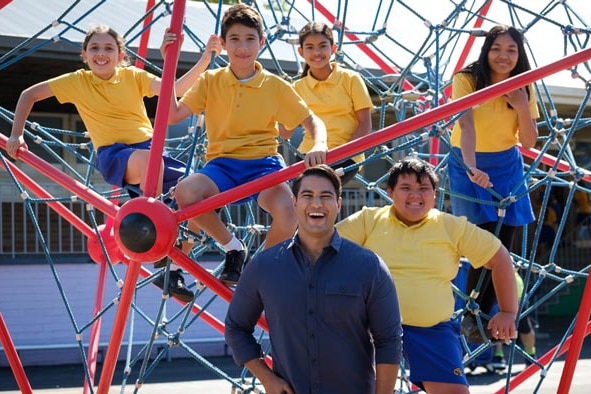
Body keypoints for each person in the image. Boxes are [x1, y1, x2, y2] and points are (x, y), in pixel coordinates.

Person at [6, 25, 221, 302]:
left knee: (197, 192)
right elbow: (28, 95)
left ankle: (174, 269)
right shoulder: (77, 81)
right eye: (94, 48)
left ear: (121, 55)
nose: (101, 54)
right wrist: (16, 133)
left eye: (109, 48)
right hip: (115, 155)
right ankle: (153, 217)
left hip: (150, 151)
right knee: (148, 163)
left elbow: (175, 89)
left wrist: (203, 57)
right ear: (84, 55)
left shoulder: (132, 76)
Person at [167, 4, 328, 286]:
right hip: (222, 165)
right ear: (224, 43)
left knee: (289, 211)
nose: (242, 47)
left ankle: (260, 269)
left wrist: (320, 143)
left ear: (261, 42)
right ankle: (233, 248)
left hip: (263, 164)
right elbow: (172, 115)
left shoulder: (274, 86)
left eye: (250, 39)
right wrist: (170, 62)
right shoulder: (211, 80)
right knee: (186, 191)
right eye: (235, 39)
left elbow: (312, 121)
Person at [336, 157, 518, 393]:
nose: (415, 195)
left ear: (434, 194)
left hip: (431, 328)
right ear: (390, 191)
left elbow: (499, 257)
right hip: (372, 327)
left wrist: (508, 311)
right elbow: (323, 247)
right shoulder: (369, 220)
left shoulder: (450, 226)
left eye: (423, 188)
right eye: (405, 188)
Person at [224, 165, 402, 394]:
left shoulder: (369, 266)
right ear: (294, 203)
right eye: (307, 195)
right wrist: (267, 378)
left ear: (338, 205)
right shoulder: (264, 266)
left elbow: (388, 340)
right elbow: (236, 327)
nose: (316, 204)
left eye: (325, 196)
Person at [447, 25, 539, 343]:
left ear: (519, 54)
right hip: (467, 161)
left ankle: (483, 316)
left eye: (511, 50)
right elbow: (465, 122)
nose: (503, 56)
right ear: (486, 51)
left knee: (504, 242)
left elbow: (528, 141)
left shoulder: (524, 85)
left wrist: (522, 107)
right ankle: (473, 315)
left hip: (506, 165)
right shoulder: (467, 79)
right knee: (482, 241)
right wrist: (472, 167)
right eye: (497, 48)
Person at [279, 21, 373, 186]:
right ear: (301, 51)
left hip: (346, 154)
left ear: (333, 48)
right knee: (298, 198)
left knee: (321, 189)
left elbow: (365, 124)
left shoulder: (350, 79)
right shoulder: (297, 88)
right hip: (308, 155)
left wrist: (344, 153)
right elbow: (286, 132)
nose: (317, 52)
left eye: (323, 46)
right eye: (310, 47)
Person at [492, 270, 537, 370]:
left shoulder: (511, 257)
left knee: (525, 327)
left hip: (517, 296)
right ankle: (498, 355)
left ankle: (531, 354)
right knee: (498, 325)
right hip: (498, 295)